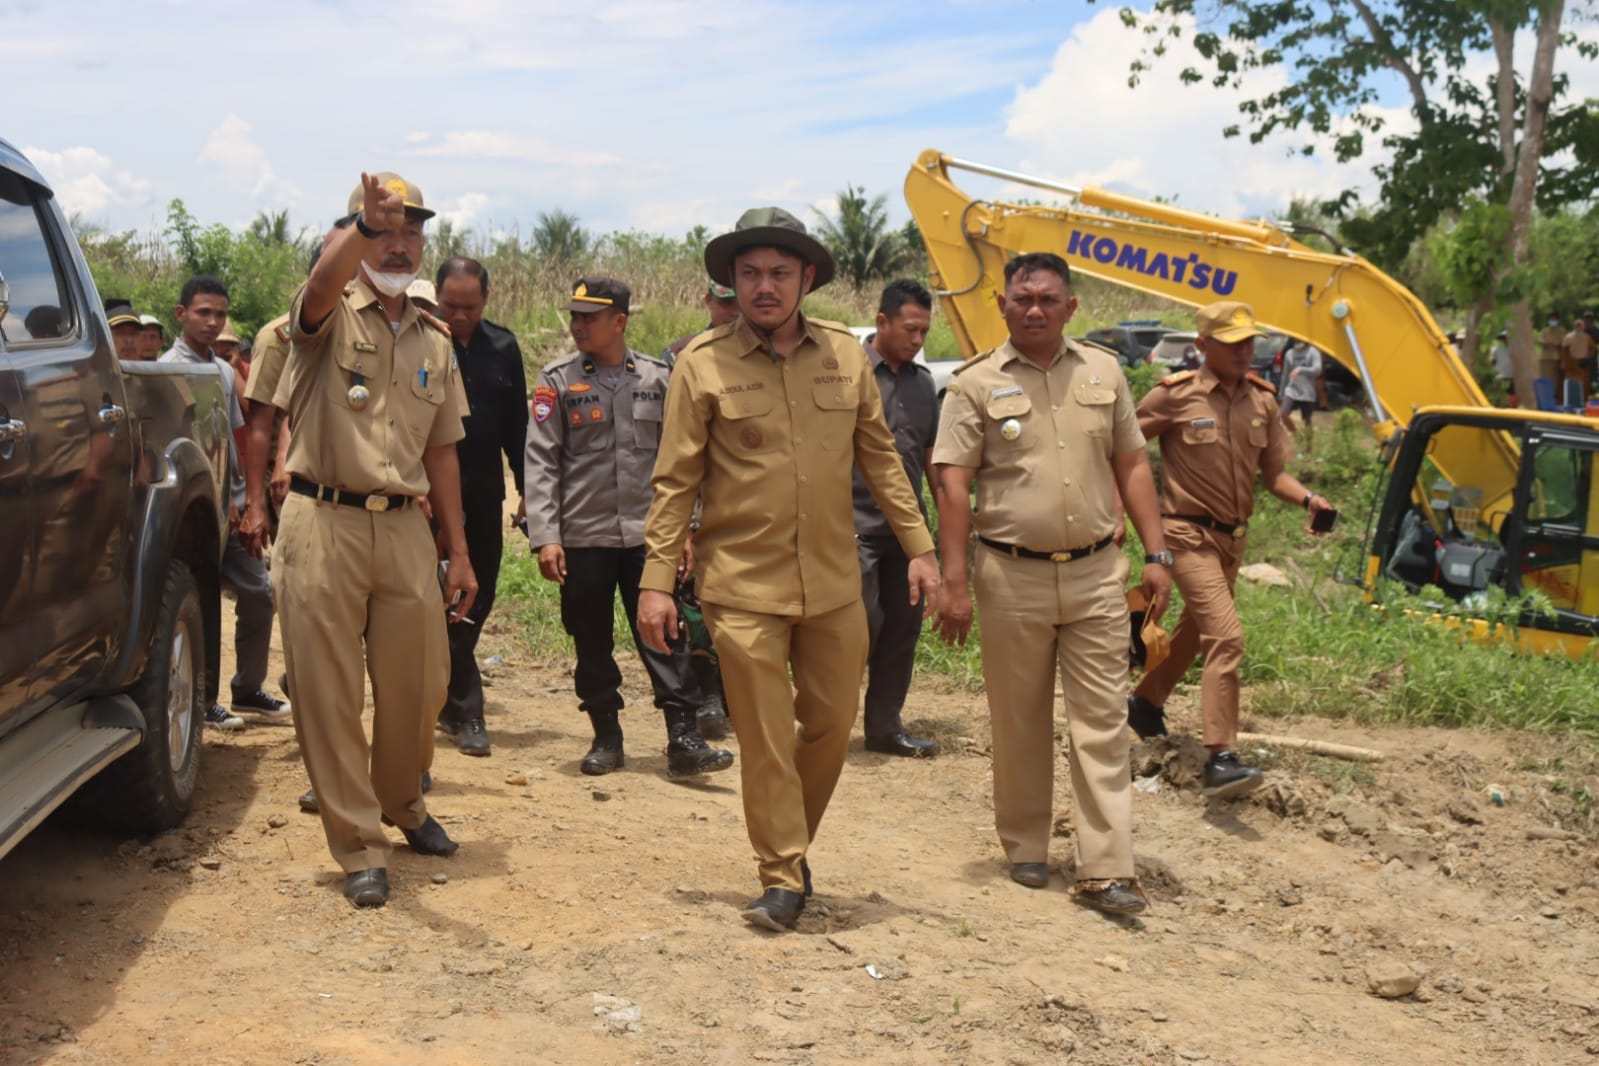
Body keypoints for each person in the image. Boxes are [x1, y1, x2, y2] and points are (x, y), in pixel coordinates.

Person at [636, 207, 940, 933]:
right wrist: (655, 580)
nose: (764, 286)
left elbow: (882, 460)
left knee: (830, 725)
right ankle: (781, 871)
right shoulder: (701, 364)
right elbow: (674, 481)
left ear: (806, 279)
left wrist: (920, 547)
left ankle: (789, 842)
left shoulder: (844, 357)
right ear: (732, 282)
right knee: (766, 736)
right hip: (741, 584)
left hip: (834, 581)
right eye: (749, 274)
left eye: (778, 272)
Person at [931, 252, 1170, 916]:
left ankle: (1106, 868)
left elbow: (1132, 463)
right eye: (1022, 298)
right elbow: (952, 484)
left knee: (1101, 722)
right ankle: (1026, 845)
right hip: (1011, 577)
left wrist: (1157, 552)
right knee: (1019, 720)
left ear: (1070, 307)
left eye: (1047, 298)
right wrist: (954, 581)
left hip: (1097, 574)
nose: (1034, 309)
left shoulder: (1104, 372)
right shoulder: (974, 384)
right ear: (1002, 305)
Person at [272, 171, 478, 909]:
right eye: (384, 231)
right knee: (328, 691)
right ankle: (359, 842)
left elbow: (443, 449)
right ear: (356, 237)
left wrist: (458, 549)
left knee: (422, 681)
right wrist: (360, 227)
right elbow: (321, 287)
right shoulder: (326, 312)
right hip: (322, 518)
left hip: (403, 527)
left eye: (410, 232)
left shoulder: (433, 338)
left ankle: (402, 801)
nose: (399, 245)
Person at [525, 276, 734, 780]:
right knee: (590, 639)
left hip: (650, 537)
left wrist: (688, 529)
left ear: (619, 321)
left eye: (590, 317)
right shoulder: (556, 382)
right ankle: (606, 736)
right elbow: (542, 462)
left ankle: (682, 737)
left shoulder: (661, 379)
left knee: (665, 633)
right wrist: (546, 536)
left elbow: (686, 460)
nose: (578, 326)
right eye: (574, 317)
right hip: (584, 537)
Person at [1127, 301, 1335, 798]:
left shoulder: (1262, 401)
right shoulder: (1175, 395)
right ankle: (1221, 756)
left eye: (1249, 341)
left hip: (1232, 541)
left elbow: (1275, 475)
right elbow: (1122, 449)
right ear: (1203, 345)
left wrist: (1309, 499)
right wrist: (1119, 511)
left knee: (1196, 634)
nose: (1245, 351)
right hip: (1185, 534)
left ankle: (1145, 703)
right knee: (1226, 636)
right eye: (1233, 342)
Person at [158, 276, 291, 731]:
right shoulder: (167, 371)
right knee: (200, 602)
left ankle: (248, 687)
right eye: (203, 313)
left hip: (231, 508)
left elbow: (238, 437)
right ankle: (203, 701)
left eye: (220, 314)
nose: (213, 322)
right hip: (192, 512)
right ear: (181, 315)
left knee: (259, 592)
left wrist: (248, 502)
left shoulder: (222, 370)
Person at [433, 256, 529, 757]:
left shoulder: (503, 347)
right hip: (426, 497)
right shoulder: (420, 342)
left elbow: (518, 429)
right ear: (437, 296)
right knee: (431, 598)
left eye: (469, 307)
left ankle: (448, 696)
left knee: (480, 593)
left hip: (485, 493)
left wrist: (529, 489)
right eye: (450, 305)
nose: (459, 316)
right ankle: (468, 710)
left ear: (486, 300)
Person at [853, 278, 940, 758]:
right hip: (854, 525)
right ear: (882, 321)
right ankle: (824, 722)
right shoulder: (848, 374)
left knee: (902, 630)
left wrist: (939, 532)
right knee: (859, 626)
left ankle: (885, 728)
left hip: (906, 535)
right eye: (910, 329)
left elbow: (930, 460)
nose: (918, 339)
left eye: (924, 331)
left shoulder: (923, 385)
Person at [663, 280, 741, 366]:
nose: (736, 312)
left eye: (741, 304)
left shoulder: (752, 352)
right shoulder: (682, 351)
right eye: (726, 303)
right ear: (709, 300)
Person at [1277, 339, 1322, 449]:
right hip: (1292, 389)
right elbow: (1285, 374)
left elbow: (1317, 370)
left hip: (1307, 391)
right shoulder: (1289, 354)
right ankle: (1297, 437)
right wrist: (1281, 393)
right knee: (1283, 414)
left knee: (1307, 420)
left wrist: (1301, 370)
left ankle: (1309, 447)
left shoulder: (1313, 352)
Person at [1565, 312, 1597, 402]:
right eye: (1586, 319)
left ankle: (1592, 389)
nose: (1588, 321)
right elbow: (1565, 349)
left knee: (1590, 378)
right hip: (1574, 361)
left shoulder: (1590, 334)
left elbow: (1593, 347)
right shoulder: (1570, 336)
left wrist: (1589, 354)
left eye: (1590, 319)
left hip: (1587, 360)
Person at [1537, 315, 1564, 384]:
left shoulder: (1561, 331)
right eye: (1551, 320)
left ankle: (1553, 390)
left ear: (1558, 321)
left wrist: (1549, 342)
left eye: (1554, 320)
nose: (1553, 321)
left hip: (1556, 357)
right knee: (1543, 376)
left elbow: (1560, 342)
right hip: (1544, 357)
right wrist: (1550, 342)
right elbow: (1540, 340)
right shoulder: (1544, 330)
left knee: (1554, 378)